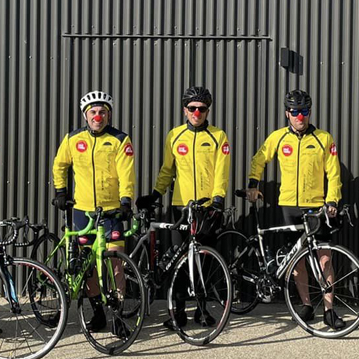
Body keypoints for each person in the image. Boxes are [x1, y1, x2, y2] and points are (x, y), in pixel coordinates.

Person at [246, 88, 345, 329]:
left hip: (316, 206)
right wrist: (253, 184)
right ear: (287, 113)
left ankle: (329, 311)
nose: (299, 117)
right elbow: (259, 159)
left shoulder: (324, 138)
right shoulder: (278, 137)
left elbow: (334, 173)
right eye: (294, 112)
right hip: (288, 205)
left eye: (304, 112)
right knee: (297, 261)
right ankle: (307, 306)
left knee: (324, 259)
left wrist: (332, 201)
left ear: (309, 112)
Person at [138, 85, 231, 329]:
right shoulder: (174, 135)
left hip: (208, 207)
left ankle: (201, 310)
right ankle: (177, 313)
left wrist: (218, 199)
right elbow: (167, 170)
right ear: (185, 110)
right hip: (181, 207)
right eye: (192, 108)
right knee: (180, 259)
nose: (197, 113)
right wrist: (156, 194)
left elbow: (222, 171)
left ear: (208, 110)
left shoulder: (218, 136)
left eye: (202, 109)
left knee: (205, 262)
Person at [51, 90, 135, 333]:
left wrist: (126, 200)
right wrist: (60, 192)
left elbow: (126, 173)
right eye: (93, 112)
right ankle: (98, 312)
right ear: (85, 115)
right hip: (83, 211)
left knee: (116, 263)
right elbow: (59, 165)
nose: (98, 116)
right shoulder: (73, 139)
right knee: (88, 266)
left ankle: (118, 316)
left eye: (102, 112)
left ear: (108, 115)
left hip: (111, 211)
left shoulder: (120, 139)